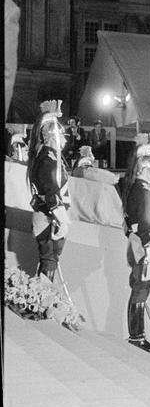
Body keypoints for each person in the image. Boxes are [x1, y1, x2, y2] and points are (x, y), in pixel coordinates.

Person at [121, 132, 150, 353]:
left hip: (138, 242)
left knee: (140, 288)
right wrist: (149, 247)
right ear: (145, 169)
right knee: (141, 289)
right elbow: (145, 221)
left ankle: (137, 335)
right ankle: (137, 336)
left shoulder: (133, 188)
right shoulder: (143, 190)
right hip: (144, 244)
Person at [27, 100, 71, 282]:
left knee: (50, 262)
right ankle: (42, 304)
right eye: (61, 134)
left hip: (50, 217)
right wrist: (61, 218)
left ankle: (43, 302)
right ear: (50, 135)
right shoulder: (48, 158)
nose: (65, 139)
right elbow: (51, 190)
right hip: (50, 218)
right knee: (49, 263)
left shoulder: (50, 157)